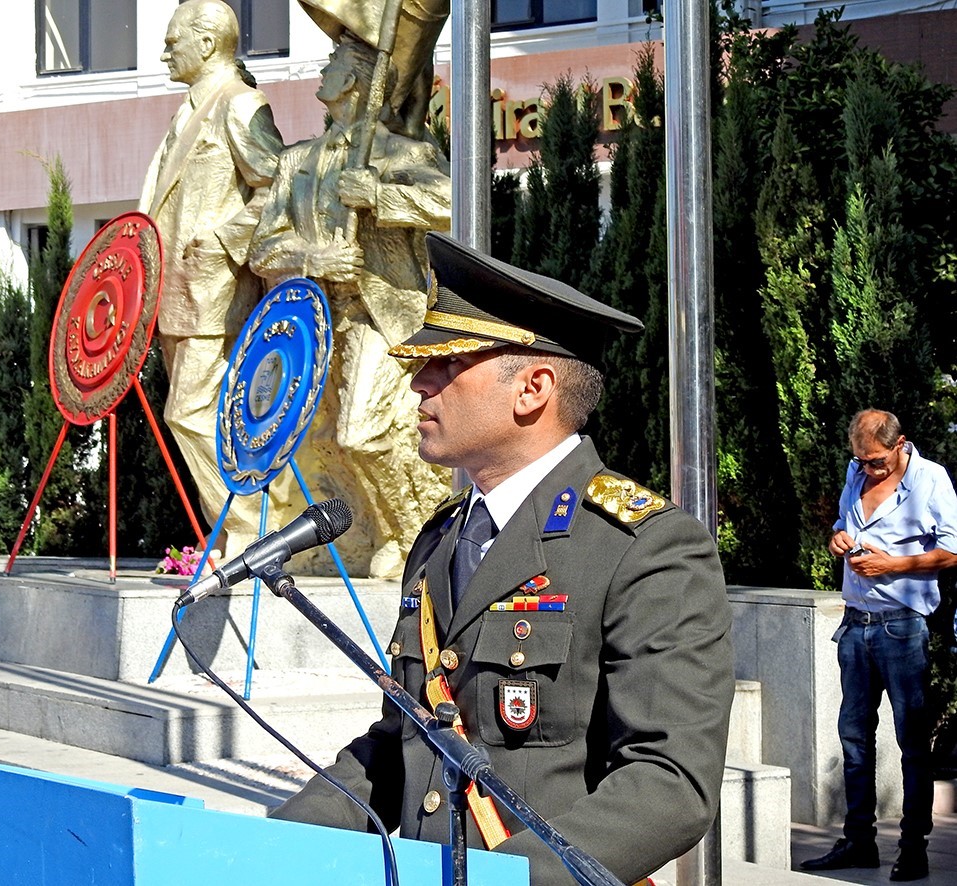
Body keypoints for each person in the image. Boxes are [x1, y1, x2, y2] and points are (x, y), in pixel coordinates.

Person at [269, 232, 736, 886]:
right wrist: (263, 848)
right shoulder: (441, 540)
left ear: (532, 389)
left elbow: (667, 785)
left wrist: (500, 881)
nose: (417, 382)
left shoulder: (643, 545)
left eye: (448, 364)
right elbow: (402, 746)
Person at [248, 34, 452, 580]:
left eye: (335, 62)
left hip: (379, 314)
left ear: (361, 81)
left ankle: (413, 536)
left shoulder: (401, 152)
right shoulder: (297, 161)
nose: (324, 68)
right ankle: (359, 536)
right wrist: (313, 257)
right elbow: (262, 247)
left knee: (361, 431)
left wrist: (383, 198)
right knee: (320, 446)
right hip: (313, 322)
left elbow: (455, 204)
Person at [138, 0, 285, 556]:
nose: (163, 52)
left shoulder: (240, 105)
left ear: (206, 43)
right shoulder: (187, 110)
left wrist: (223, 240)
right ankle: (228, 534)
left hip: (213, 290)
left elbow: (277, 187)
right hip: (174, 294)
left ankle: (253, 531)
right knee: (211, 415)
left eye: (173, 41)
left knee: (191, 413)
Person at [801, 409, 957, 882]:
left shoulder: (931, 479)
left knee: (912, 740)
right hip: (855, 624)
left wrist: (892, 566)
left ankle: (914, 848)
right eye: (861, 460)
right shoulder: (856, 473)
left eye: (876, 461)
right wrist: (837, 537)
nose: (868, 469)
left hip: (902, 626)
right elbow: (840, 528)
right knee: (853, 738)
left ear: (900, 444)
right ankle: (859, 842)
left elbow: (952, 551)